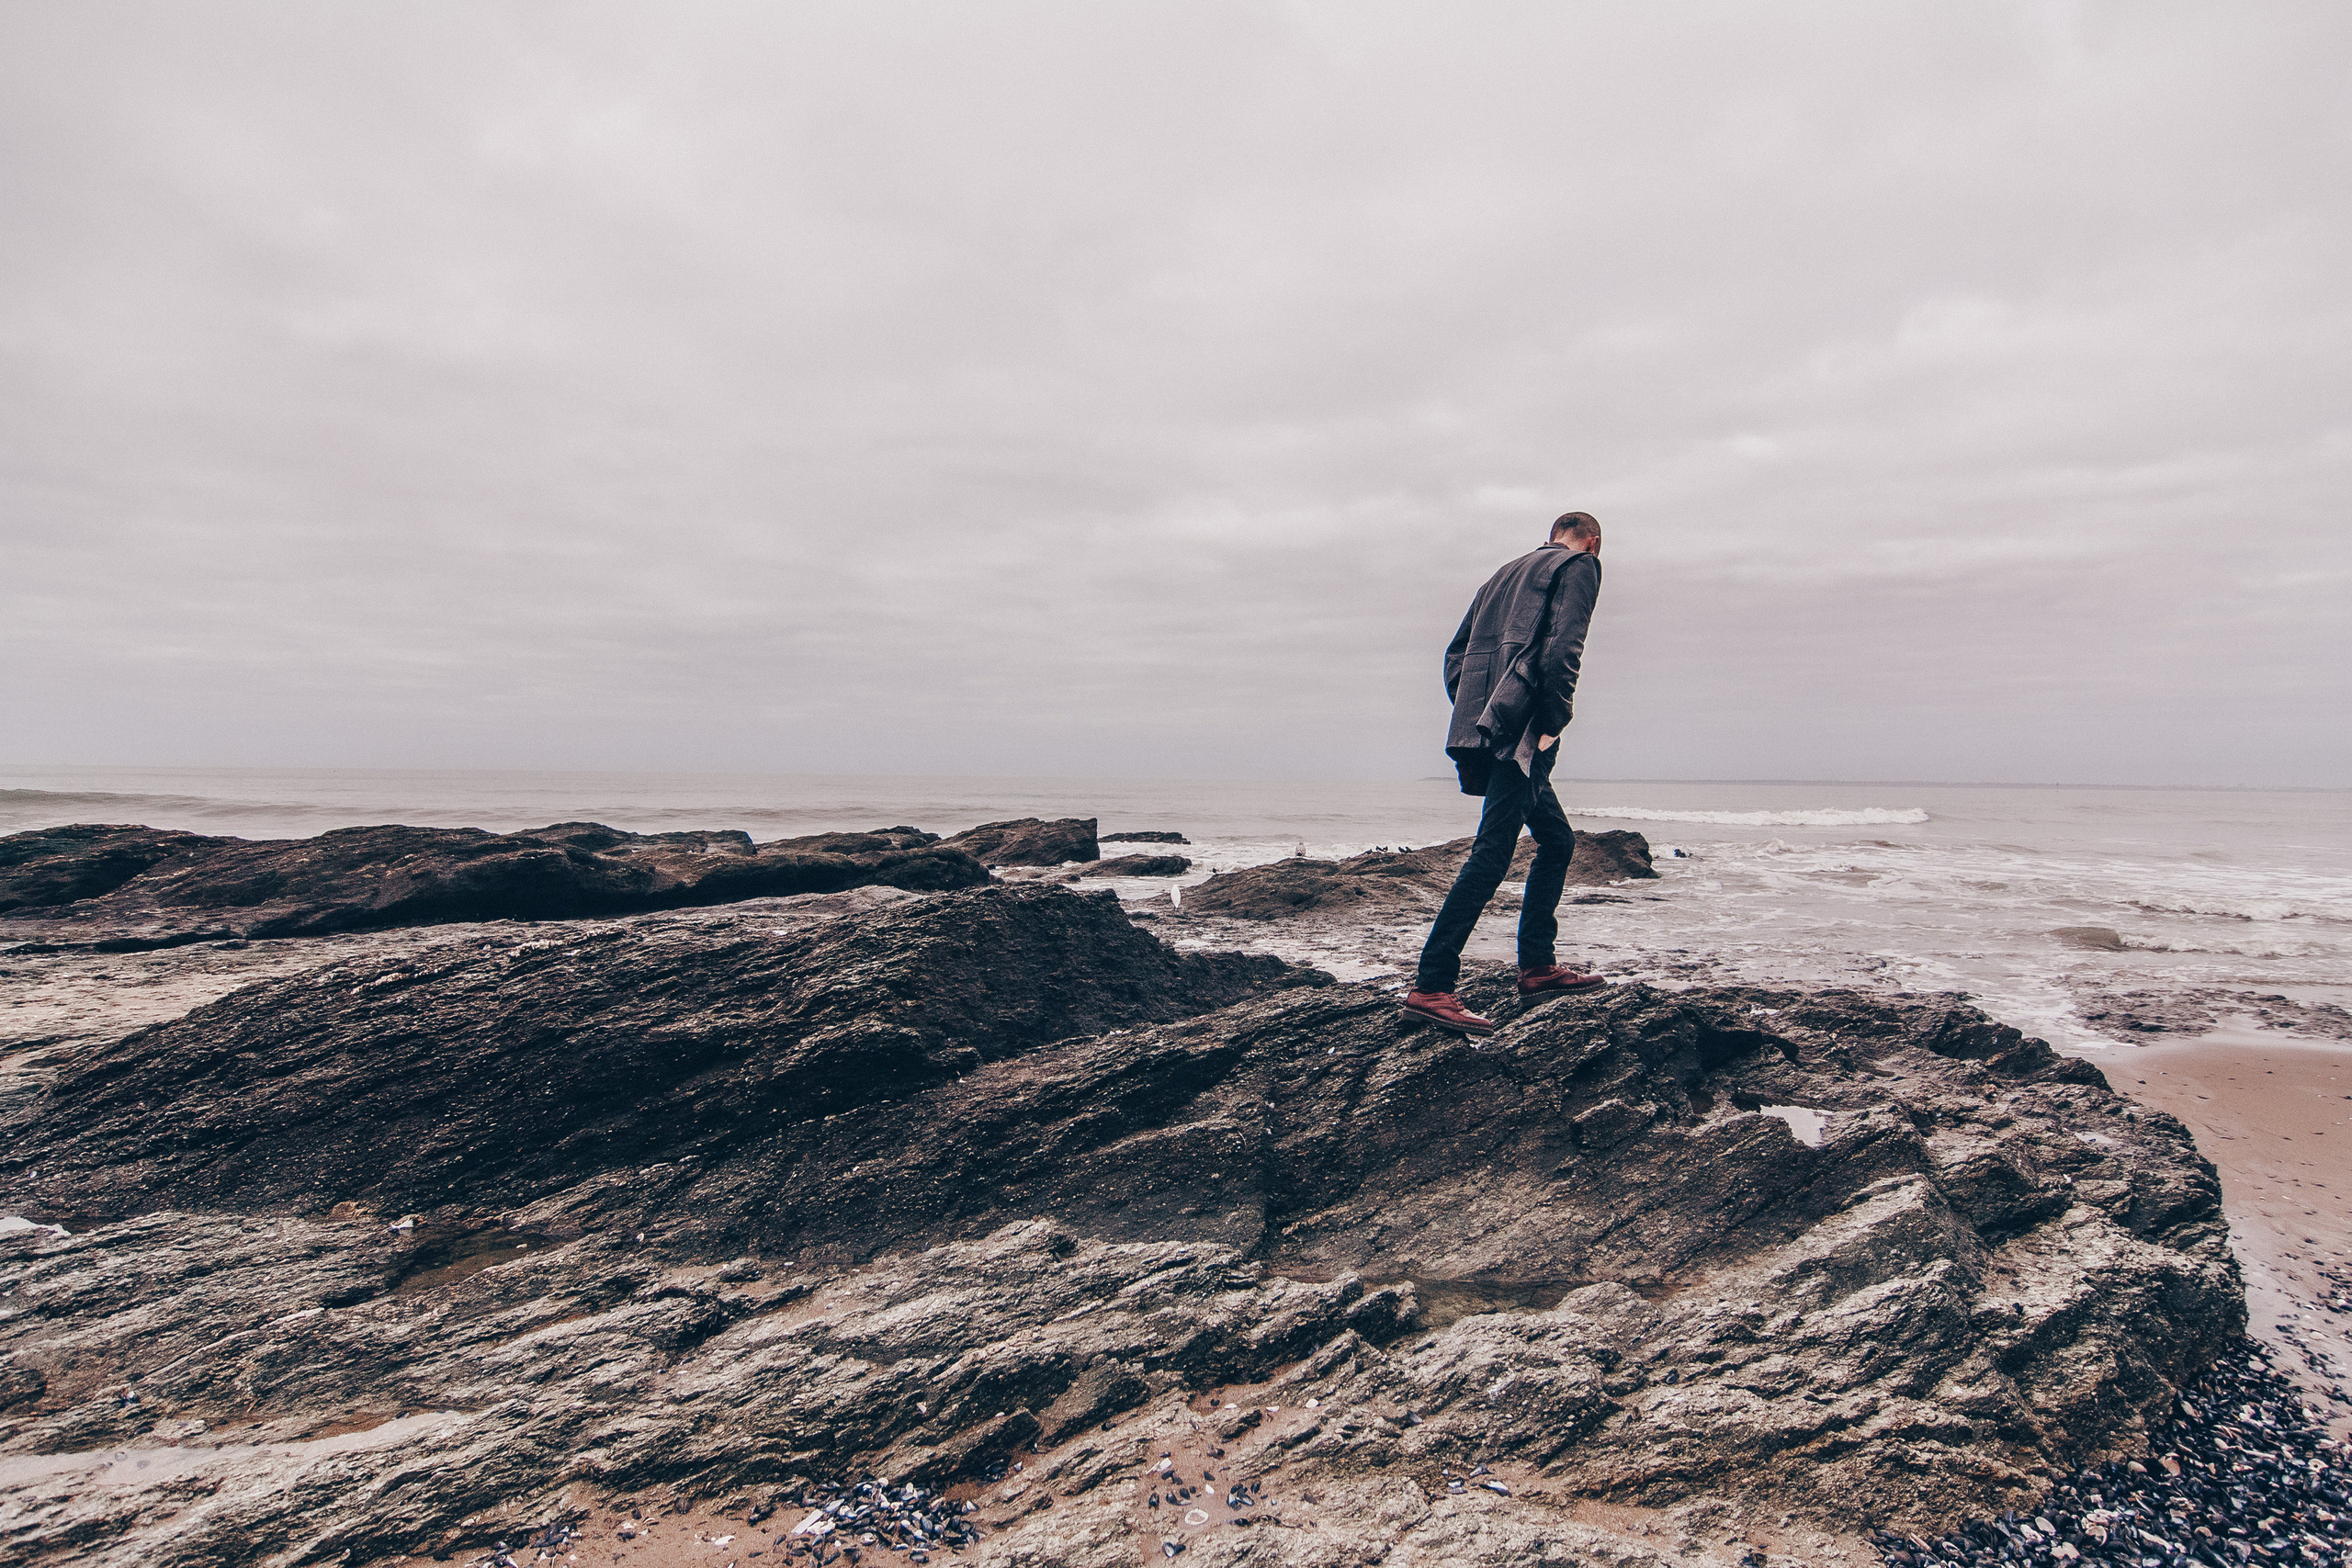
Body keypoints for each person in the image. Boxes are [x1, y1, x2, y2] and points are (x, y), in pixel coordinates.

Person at [1400, 511, 1608, 1035]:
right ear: (1593, 543)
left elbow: (1455, 658)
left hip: (1489, 726)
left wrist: (1485, 711)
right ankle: (1432, 986)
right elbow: (1564, 649)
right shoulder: (1578, 566)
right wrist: (1552, 721)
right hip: (1524, 732)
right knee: (1492, 853)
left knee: (1557, 841)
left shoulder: (1500, 575)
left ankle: (1537, 966)